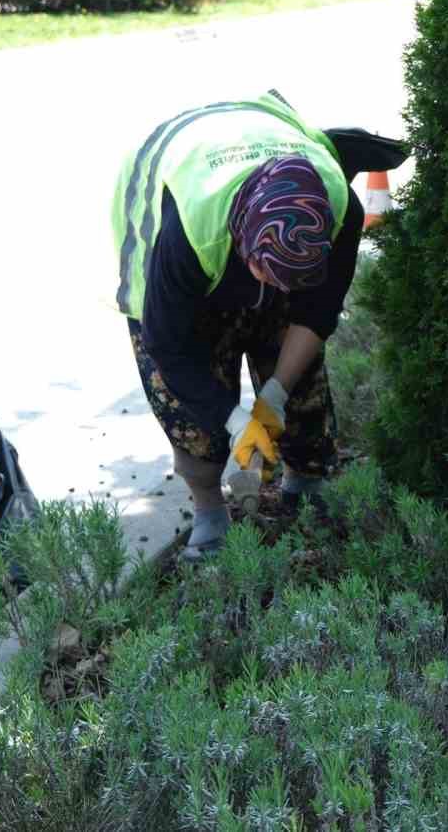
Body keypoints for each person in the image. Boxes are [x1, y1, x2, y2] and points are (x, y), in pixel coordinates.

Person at [111, 90, 365, 558]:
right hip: (185, 215)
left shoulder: (340, 210)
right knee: (192, 417)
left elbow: (316, 312)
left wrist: (273, 398)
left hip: (262, 196)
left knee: (302, 382)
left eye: (295, 283)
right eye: (273, 279)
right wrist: (232, 422)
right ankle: (210, 512)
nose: (281, 296)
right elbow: (170, 347)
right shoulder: (187, 234)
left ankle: (306, 485)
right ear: (244, 248)